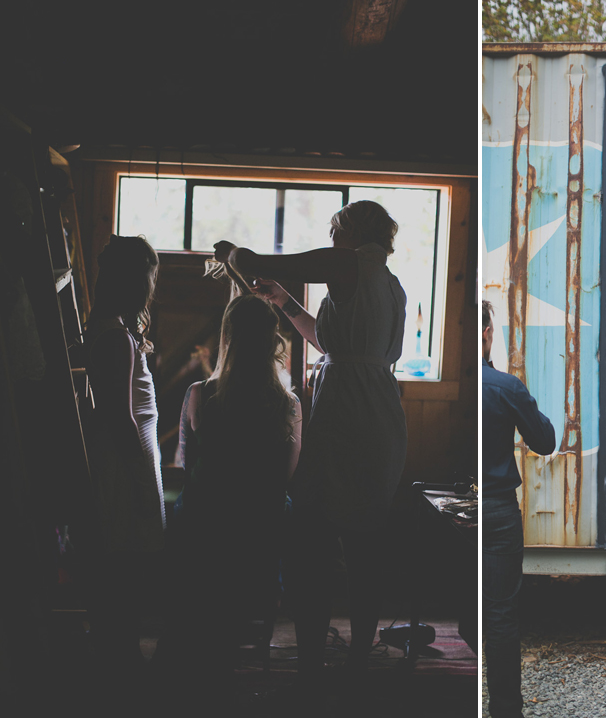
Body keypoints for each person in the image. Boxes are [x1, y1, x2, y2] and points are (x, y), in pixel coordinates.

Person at [212, 199, 407, 688]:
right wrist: (285, 302)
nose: (331, 235)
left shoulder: (349, 262)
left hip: (350, 415)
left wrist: (236, 255)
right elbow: (329, 340)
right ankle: (358, 658)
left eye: (335, 228)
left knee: (311, 543)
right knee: (363, 544)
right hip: (377, 411)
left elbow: (261, 262)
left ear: (351, 231)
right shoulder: (388, 283)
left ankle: (311, 663)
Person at [167, 293, 301, 680]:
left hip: (208, 537)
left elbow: (187, 464)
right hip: (257, 539)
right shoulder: (288, 405)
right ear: (272, 341)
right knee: (279, 506)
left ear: (227, 338)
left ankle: (190, 625)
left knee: (191, 503)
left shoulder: (200, 394)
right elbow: (284, 477)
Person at [84, 234, 165, 675]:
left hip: (129, 461)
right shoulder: (115, 337)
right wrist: (138, 477)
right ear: (138, 280)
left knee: (126, 563)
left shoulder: (112, 328)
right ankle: (122, 662)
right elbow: (120, 416)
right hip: (123, 465)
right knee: (126, 565)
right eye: (151, 275)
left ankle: (119, 655)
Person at [481, 300, 555, 718]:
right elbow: (545, 440)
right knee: (501, 613)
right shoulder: (505, 387)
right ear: (488, 333)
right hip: (497, 513)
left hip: (456, 509)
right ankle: (505, 709)